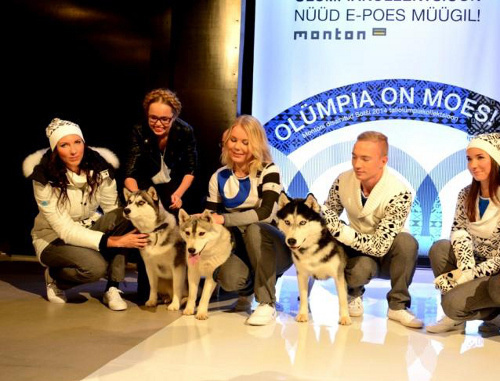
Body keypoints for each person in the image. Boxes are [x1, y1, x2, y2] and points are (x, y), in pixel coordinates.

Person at [24, 118, 149, 310]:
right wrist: (113, 242)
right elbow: (64, 229)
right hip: (53, 238)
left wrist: (120, 235)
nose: (74, 151)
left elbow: (111, 208)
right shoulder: (43, 178)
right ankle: (56, 278)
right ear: (55, 149)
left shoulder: (100, 167)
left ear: (84, 142)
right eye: (64, 145)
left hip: (88, 226)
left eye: (77, 142)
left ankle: (113, 288)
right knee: (95, 268)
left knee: (125, 216)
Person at [322, 131, 423, 328]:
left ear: (383, 161)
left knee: (407, 242)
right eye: (354, 156)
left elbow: (379, 247)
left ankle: (398, 305)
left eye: (365, 159)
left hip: (387, 254)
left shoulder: (399, 192)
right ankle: (353, 292)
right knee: (360, 269)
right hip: (359, 252)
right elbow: (328, 215)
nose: (357, 164)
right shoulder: (342, 180)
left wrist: (341, 231)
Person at [205, 115, 293, 326]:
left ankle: (267, 302)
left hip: (273, 247)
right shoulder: (218, 176)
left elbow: (264, 214)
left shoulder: (269, 170)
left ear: (256, 144)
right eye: (234, 140)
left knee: (255, 229)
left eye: (246, 142)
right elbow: (210, 218)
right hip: (240, 246)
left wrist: (223, 219)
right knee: (228, 277)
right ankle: (250, 290)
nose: (238, 147)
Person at [123, 88, 198, 304]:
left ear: (174, 117)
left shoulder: (185, 131)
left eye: (165, 119)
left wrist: (178, 194)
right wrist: (136, 198)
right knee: (143, 293)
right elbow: (130, 171)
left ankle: (187, 290)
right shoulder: (138, 131)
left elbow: (191, 169)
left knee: (182, 242)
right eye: (153, 118)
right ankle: (152, 288)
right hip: (147, 189)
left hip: (177, 188)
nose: (158, 123)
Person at [427, 132, 500, 334]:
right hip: (474, 264)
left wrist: (466, 276)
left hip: (496, 272)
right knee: (440, 248)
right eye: (469, 159)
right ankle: (455, 319)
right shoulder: (465, 194)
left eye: (480, 157)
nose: (473, 165)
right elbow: (458, 231)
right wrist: (466, 265)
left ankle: (495, 315)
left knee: (494, 289)